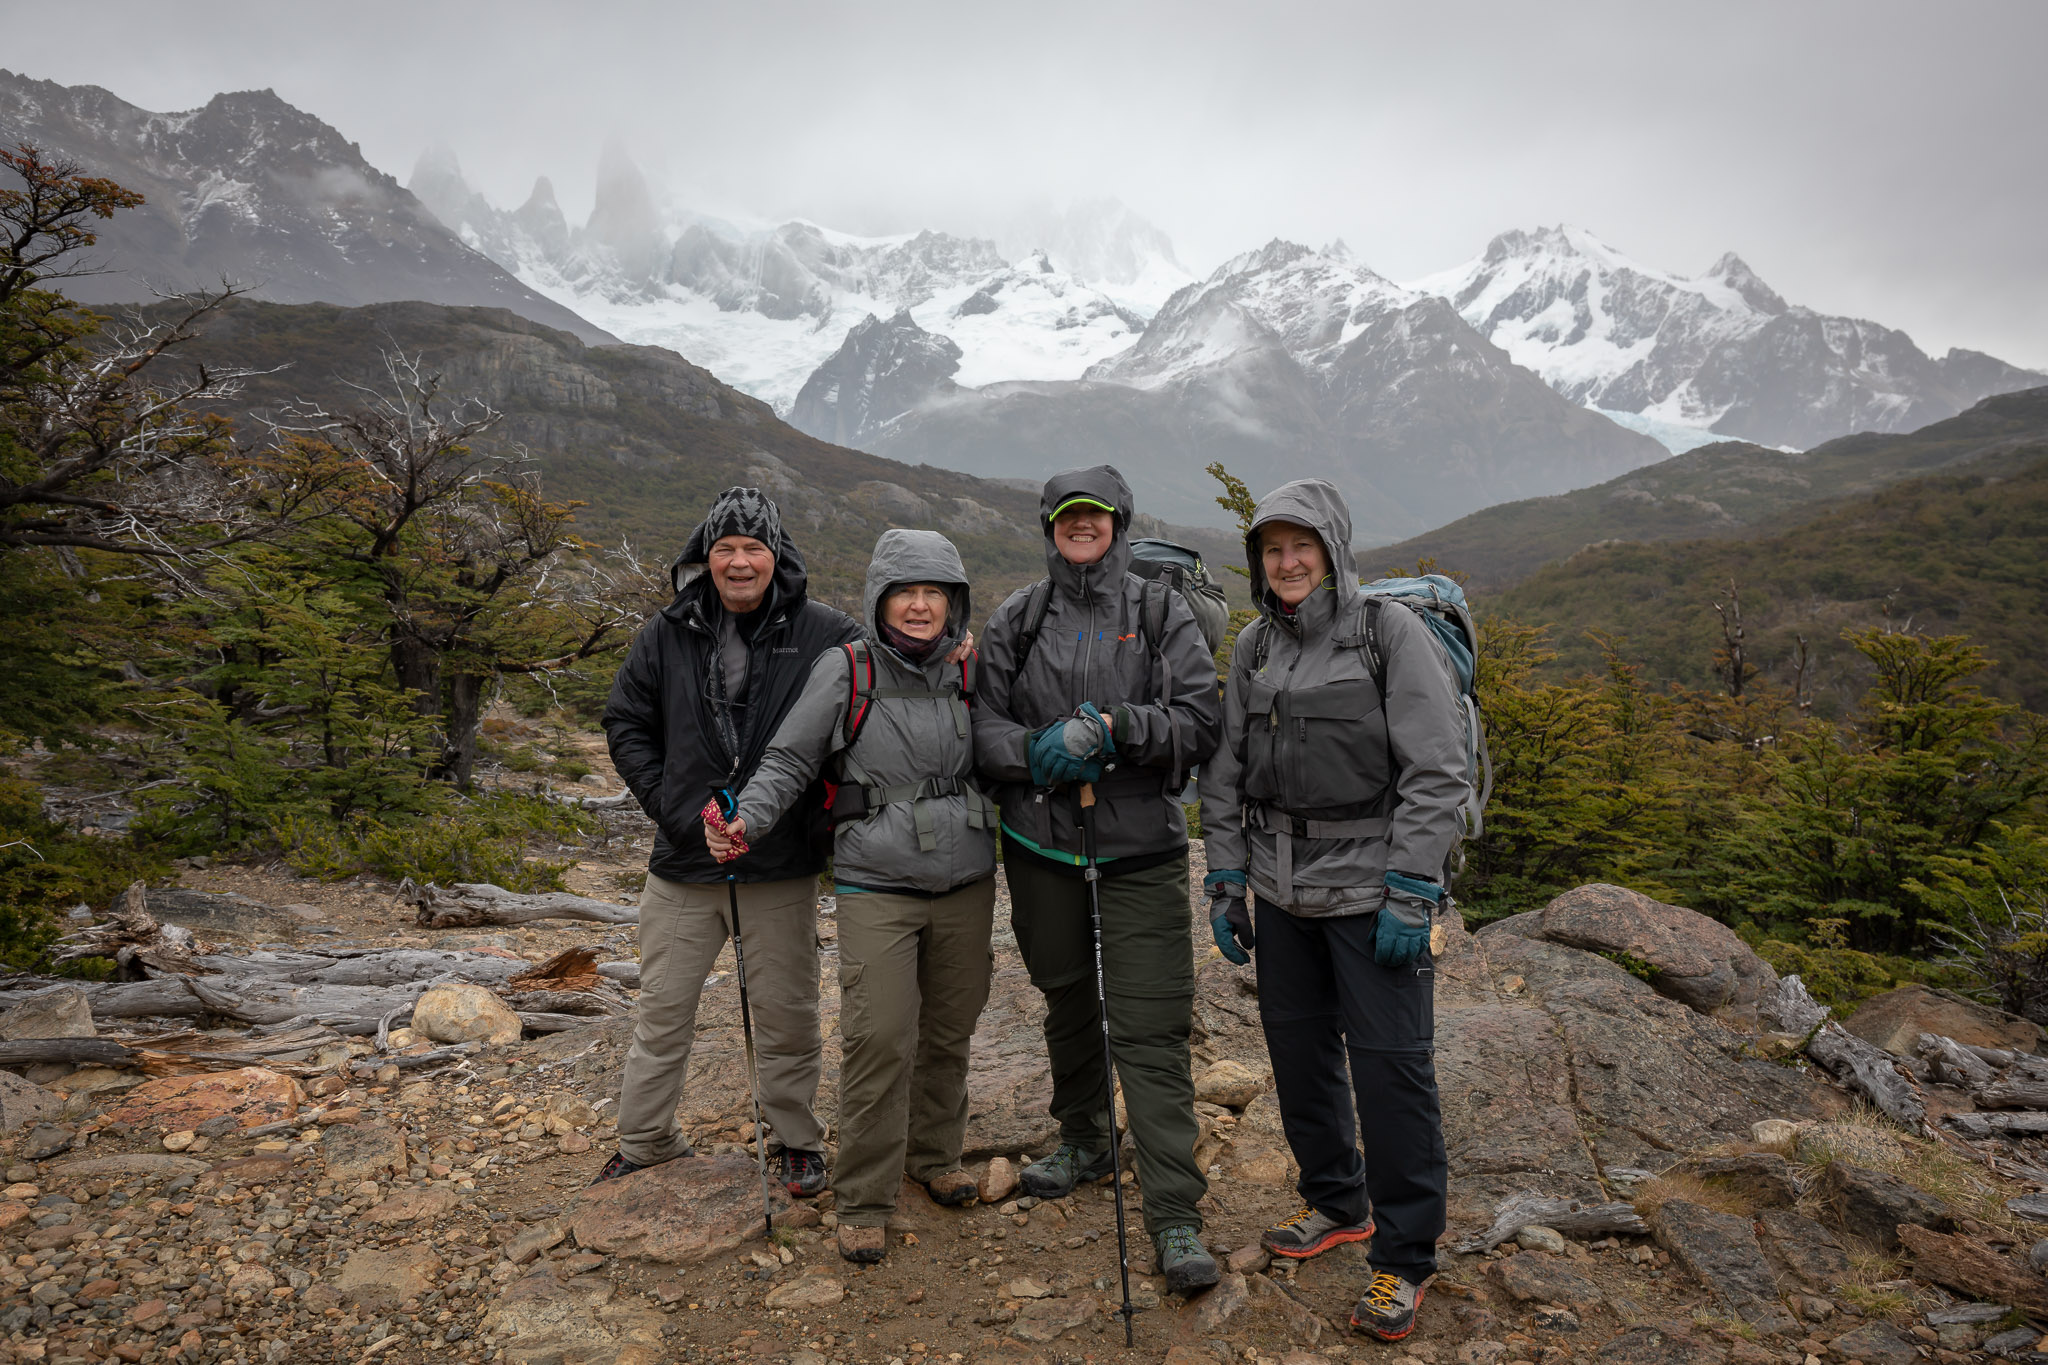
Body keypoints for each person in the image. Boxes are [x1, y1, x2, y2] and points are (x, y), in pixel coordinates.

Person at [1198, 478, 1469, 1343]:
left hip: (1371, 891)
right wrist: (1226, 880)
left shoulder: (1388, 635)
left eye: (1300, 546)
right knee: (1299, 1053)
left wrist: (1413, 888)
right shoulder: (1253, 647)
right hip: (1280, 890)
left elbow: (1437, 770)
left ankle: (1406, 1252)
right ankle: (1336, 1201)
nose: (1287, 563)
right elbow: (1226, 774)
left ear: (1333, 549)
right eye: (1272, 549)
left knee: (1393, 1071)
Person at [707, 529, 998, 1264]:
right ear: (881, 600)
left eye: (937, 592)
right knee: (878, 1036)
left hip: (967, 878)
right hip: (879, 884)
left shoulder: (975, 668)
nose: (922, 605)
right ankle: (866, 1195)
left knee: (949, 1028)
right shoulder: (849, 669)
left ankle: (934, 1157)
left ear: (956, 602)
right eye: (907, 592)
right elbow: (790, 757)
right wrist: (747, 817)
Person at [974, 464, 1225, 1295]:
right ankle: (1083, 1140)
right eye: (1067, 517)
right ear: (1049, 526)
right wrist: (1030, 751)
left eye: (1096, 516)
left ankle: (1175, 1215)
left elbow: (1199, 720)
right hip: (1043, 844)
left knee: (1150, 1030)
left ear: (1119, 521)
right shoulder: (1020, 615)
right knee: (1067, 997)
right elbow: (981, 726)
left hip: (1140, 851)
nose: (1082, 527)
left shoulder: (1161, 610)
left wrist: (1115, 728)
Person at [598, 486, 862, 1196]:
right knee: (662, 1009)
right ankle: (645, 1138)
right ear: (704, 556)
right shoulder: (668, 631)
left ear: (777, 555)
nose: (739, 562)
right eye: (726, 549)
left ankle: (797, 1141)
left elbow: (878, 689)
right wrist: (676, 810)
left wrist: (954, 633)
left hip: (779, 864)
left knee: (787, 1012)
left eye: (753, 548)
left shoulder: (829, 633)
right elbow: (625, 720)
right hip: (685, 863)